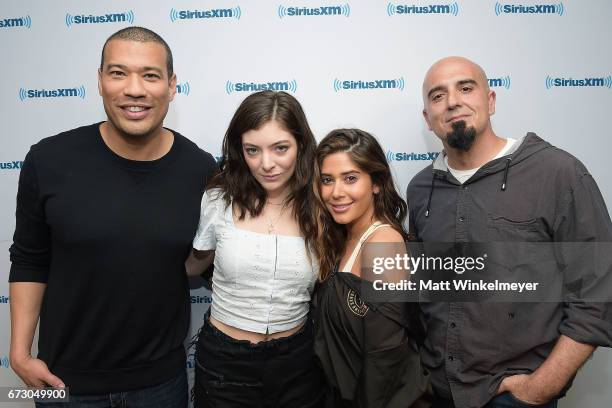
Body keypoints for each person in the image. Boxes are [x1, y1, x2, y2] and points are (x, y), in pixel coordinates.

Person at [8, 26, 217, 407]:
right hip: (64, 384)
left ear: (172, 86)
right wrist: (19, 353)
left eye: (150, 75)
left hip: (161, 385)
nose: (134, 89)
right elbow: (29, 260)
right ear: (100, 81)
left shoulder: (200, 169)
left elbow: (206, 261)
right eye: (118, 72)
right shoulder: (49, 160)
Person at [406, 56, 612, 408]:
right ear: (428, 118)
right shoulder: (420, 188)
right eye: (437, 96)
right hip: (438, 392)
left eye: (466, 88)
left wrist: (541, 387)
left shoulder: (557, 173)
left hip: (515, 397)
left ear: (491, 99)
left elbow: (599, 292)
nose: (453, 101)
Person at [185, 90, 325, 407]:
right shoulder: (219, 199)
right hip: (225, 361)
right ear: (239, 150)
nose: (266, 164)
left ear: (301, 145)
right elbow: (195, 263)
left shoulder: (321, 205)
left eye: (280, 148)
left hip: (297, 361)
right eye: (252, 150)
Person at [311, 128, 430, 407]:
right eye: (327, 180)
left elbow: (385, 357)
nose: (336, 193)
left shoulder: (384, 241)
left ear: (376, 183)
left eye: (350, 179)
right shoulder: (341, 237)